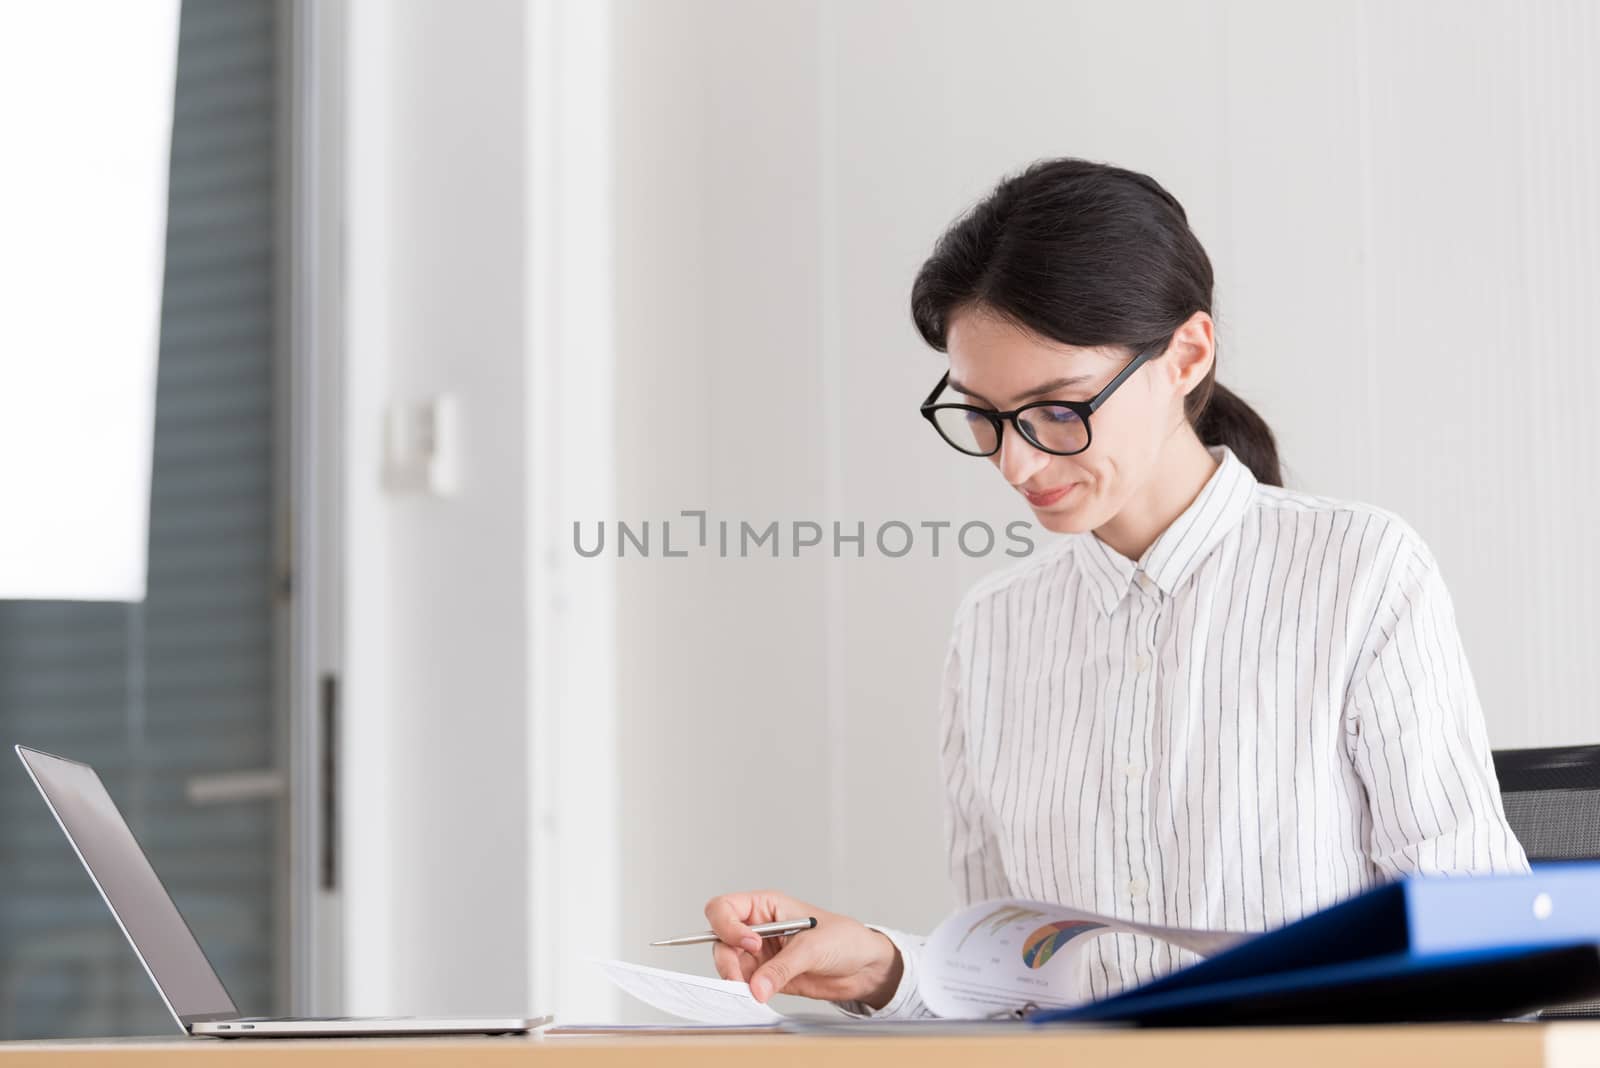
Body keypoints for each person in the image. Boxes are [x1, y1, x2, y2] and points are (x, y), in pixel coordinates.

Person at [703, 157, 1531, 1018]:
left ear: (1186, 355)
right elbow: (1005, 994)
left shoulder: (1359, 574)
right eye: (982, 415)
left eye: (1059, 409)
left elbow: (1485, 947)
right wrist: (885, 969)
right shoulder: (995, 631)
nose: (1014, 461)